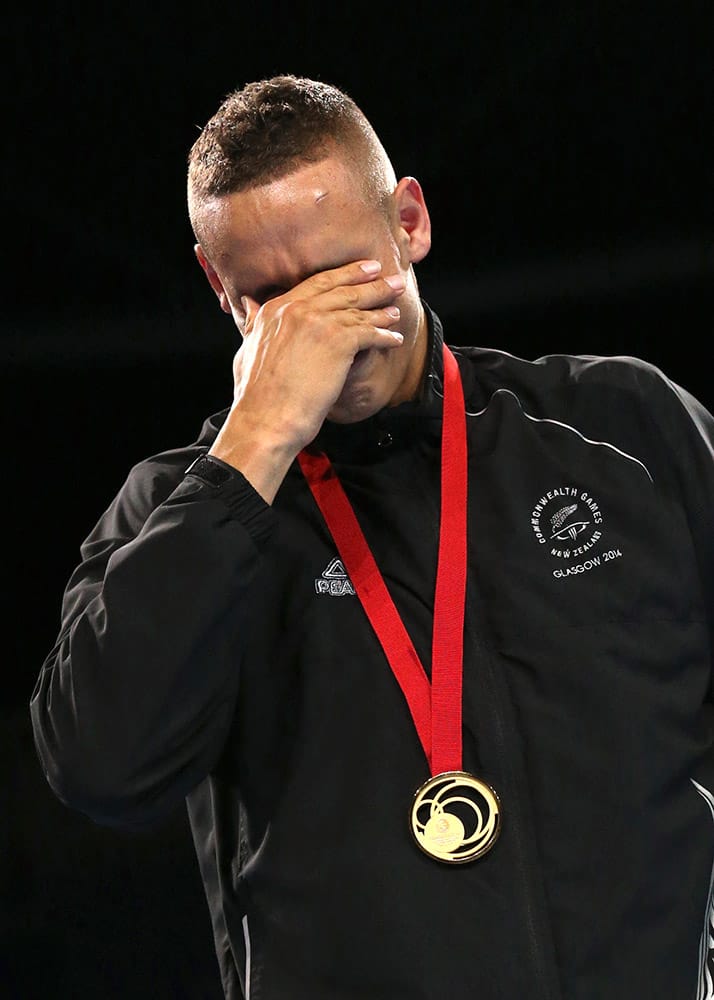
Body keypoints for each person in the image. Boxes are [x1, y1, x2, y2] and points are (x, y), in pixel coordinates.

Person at [30, 74, 714, 1000]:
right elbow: (99, 767)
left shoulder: (622, 428)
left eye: (339, 278)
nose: (323, 329)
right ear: (216, 286)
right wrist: (255, 445)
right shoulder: (179, 508)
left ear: (410, 222)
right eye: (273, 298)